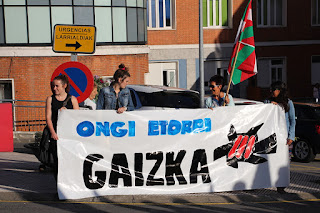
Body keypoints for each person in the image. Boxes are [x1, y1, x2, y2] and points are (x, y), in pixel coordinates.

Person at [45, 74, 79, 178]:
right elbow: (48, 118)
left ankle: (69, 184)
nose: (54, 88)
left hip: (69, 134)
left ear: (64, 86)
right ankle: (58, 187)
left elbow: (78, 117)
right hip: (56, 134)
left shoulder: (72, 99)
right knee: (57, 162)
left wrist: (68, 112)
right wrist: (53, 133)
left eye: (57, 86)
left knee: (69, 160)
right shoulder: (50, 99)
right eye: (53, 86)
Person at [264, 81, 295, 194]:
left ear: (279, 91)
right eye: (270, 90)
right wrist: (269, 107)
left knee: (284, 162)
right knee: (269, 161)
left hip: (285, 138)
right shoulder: (267, 101)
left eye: (273, 90)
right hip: (271, 137)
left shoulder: (288, 103)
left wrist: (291, 136)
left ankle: (281, 186)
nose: (271, 92)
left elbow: (292, 120)